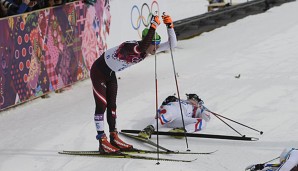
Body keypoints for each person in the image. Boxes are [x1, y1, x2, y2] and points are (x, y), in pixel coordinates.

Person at [90, 13, 177, 154]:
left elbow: (172, 45)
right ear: (148, 42)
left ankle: (113, 136)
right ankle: (102, 141)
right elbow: (143, 46)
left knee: (112, 106)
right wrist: (153, 26)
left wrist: (170, 26)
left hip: (111, 74)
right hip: (99, 71)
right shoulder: (132, 47)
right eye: (153, 45)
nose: (156, 48)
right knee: (102, 105)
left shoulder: (148, 48)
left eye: (157, 45)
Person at [138, 94, 211, 139]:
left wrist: (201, 107)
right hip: (172, 109)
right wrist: (169, 99)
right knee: (171, 113)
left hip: (180, 119)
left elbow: (207, 118)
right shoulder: (179, 100)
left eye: (196, 100)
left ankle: (182, 131)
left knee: (202, 122)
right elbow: (162, 106)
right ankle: (149, 129)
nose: (193, 100)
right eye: (193, 98)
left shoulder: (197, 108)